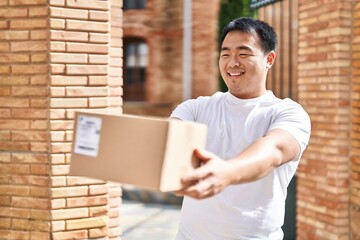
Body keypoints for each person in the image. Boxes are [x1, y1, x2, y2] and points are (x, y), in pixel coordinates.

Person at [170, 17, 311, 239]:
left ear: (269, 59)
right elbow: (167, 139)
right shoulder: (195, 108)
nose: (232, 63)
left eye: (243, 54)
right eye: (225, 54)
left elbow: (274, 149)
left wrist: (228, 172)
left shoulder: (287, 113)